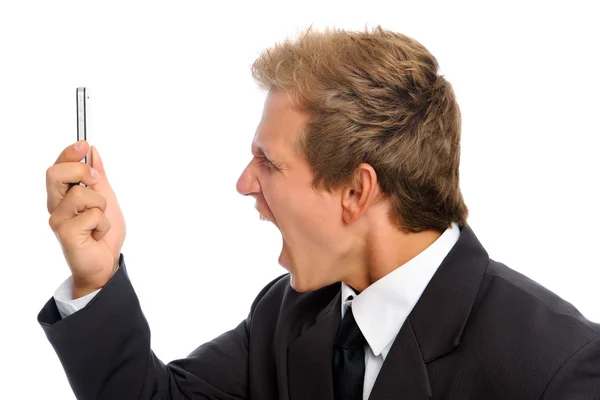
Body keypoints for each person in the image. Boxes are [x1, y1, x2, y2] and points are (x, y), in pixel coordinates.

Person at [39, 26, 600, 400]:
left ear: (357, 191)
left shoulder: (559, 367)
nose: (244, 183)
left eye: (268, 162)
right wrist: (95, 275)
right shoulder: (290, 315)